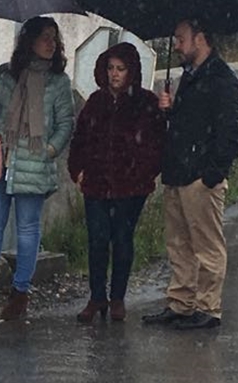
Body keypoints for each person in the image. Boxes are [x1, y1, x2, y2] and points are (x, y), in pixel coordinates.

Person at [0, 16, 76, 321]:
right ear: (29, 41)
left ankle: (20, 294)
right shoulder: (5, 74)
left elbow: (66, 123)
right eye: (45, 37)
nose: (51, 44)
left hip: (34, 162)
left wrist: (49, 151)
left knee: (28, 231)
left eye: (54, 38)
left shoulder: (58, 81)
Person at [143, 18, 238, 330]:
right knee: (179, 244)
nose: (177, 45)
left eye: (181, 38)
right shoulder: (191, 75)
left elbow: (230, 134)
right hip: (177, 170)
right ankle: (181, 302)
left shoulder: (222, 80)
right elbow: (191, 121)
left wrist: (211, 175)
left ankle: (207, 307)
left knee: (206, 246)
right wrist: (170, 109)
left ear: (200, 39)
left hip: (199, 176)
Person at [67, 42, 165, 323]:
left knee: (122, 239)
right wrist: (78, 171)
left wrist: (144, 174)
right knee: (97, 240)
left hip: (131, 186)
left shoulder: (145, 103)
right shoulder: (95, 102)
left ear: (131, 71)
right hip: (96, 184)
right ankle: (97, 296)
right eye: (110, 68)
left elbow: (158, 143)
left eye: (120, 69)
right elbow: (80, 139)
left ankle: (118, 297)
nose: (114, 74)